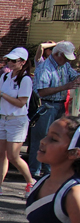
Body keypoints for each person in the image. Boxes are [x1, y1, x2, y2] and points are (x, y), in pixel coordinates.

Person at [0, 48, 35, 197]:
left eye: (14, 60)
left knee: (13, 156)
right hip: (3, 118)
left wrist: (2, 94)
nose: (10, 63)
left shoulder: (25, 79)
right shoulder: (5, 76)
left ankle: (31, 182)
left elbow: (21, 103)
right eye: (8, 60)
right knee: (2, 154)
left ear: (22, 62)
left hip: (17, 120)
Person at [31, 41, 80, 177]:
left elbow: (74, 76)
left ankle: (49, 169)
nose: (65, 61)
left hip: (59, 105)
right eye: (64, 57)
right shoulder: (44, 67)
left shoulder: (64, 66)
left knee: (55, 138)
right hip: (46, 105)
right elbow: (41, 92)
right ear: (57, 54)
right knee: (41, 138)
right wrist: (65, 86)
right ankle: (34, 171)